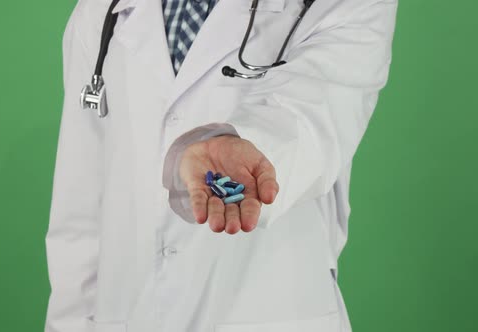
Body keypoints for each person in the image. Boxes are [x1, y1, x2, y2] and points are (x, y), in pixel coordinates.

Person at [43, 0, 398, 331]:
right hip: (125, 314)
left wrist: (243, 142)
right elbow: (80, 209)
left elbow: (319, 104)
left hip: (265, 310)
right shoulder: (102, 9)